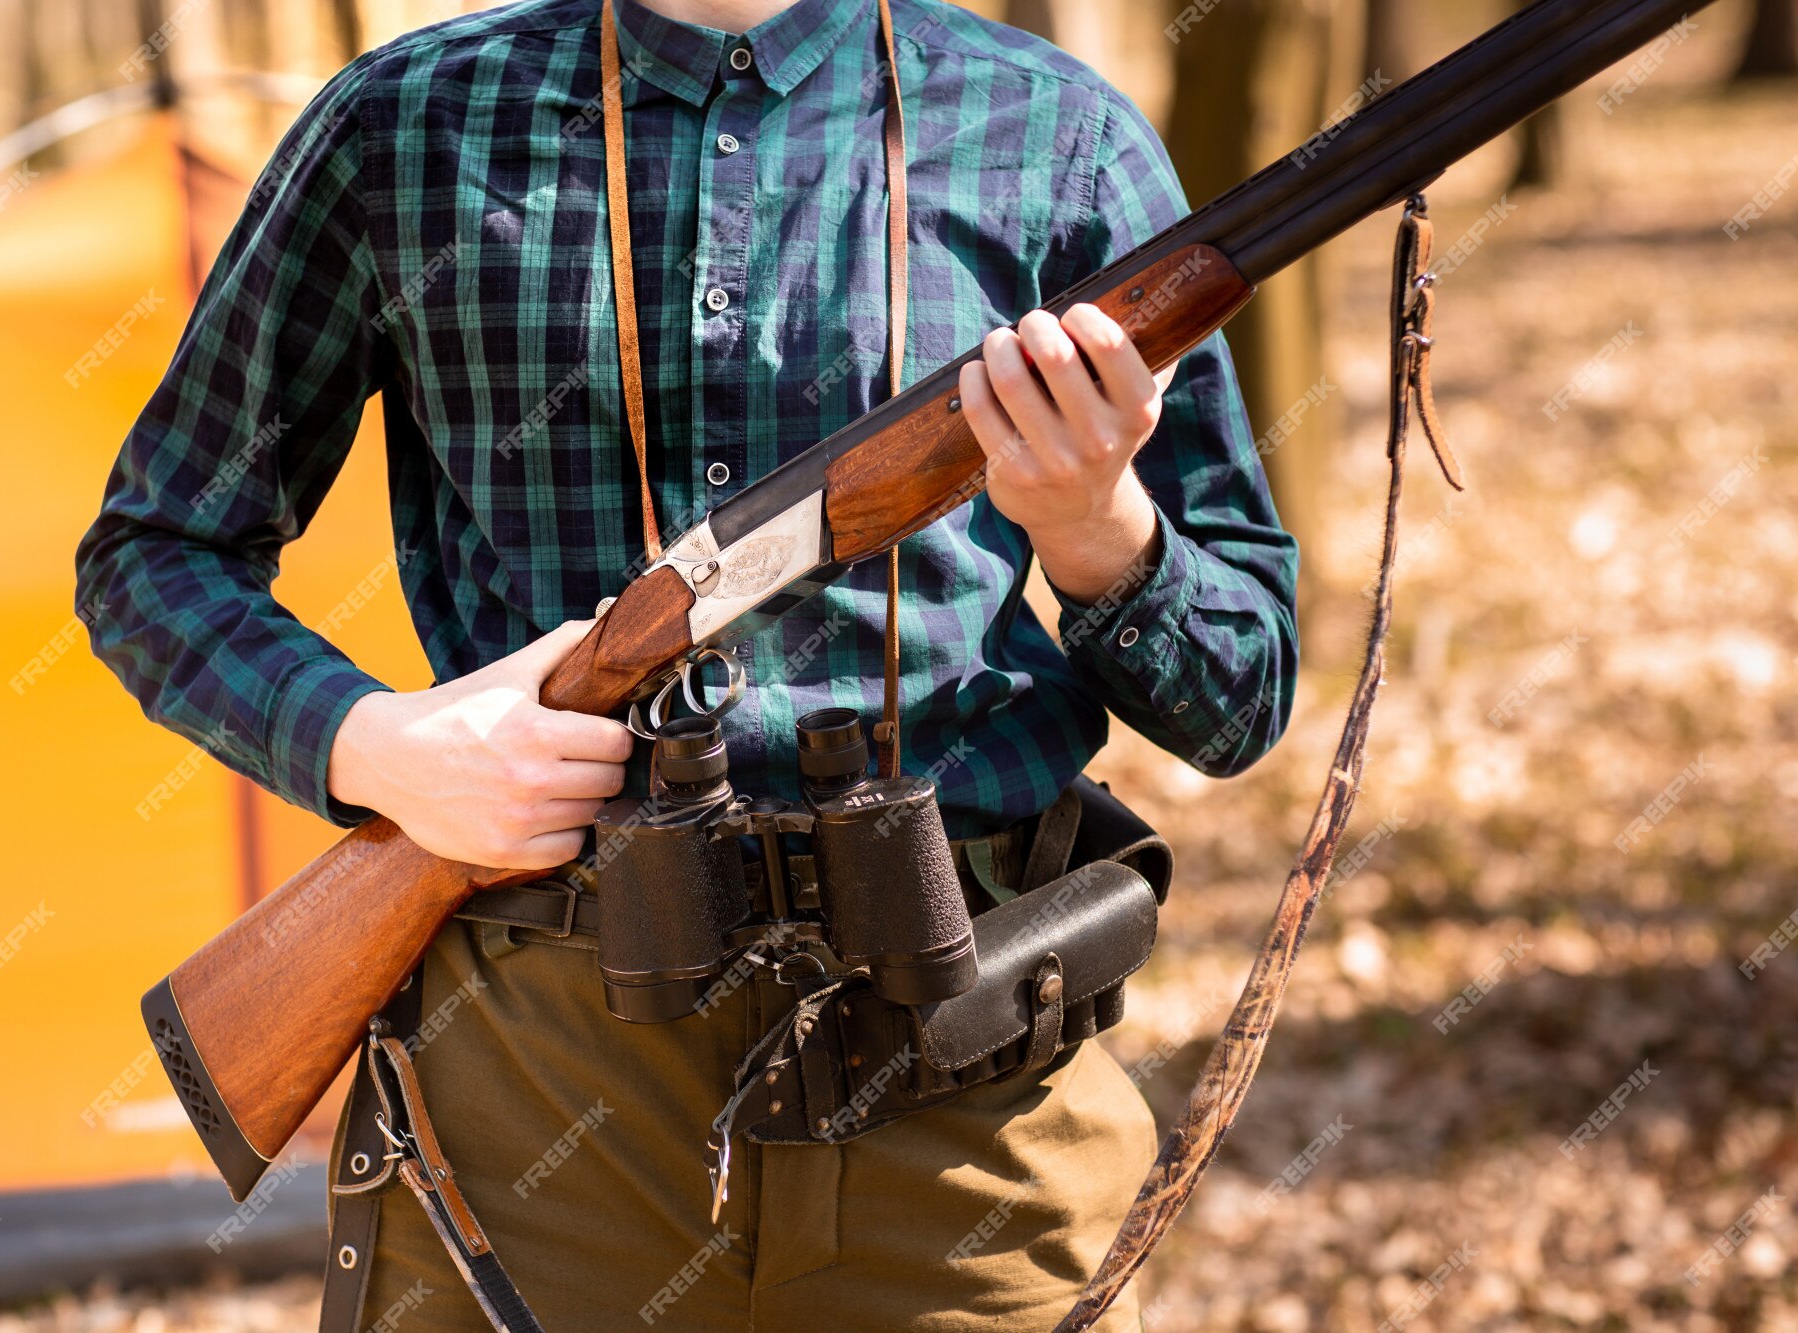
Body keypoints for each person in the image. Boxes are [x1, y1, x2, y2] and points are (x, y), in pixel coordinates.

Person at [76, 0, 1298, 1326]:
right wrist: (380, 747)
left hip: (967, 1085)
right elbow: (156, 550)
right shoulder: (401, 127)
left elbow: (1240, 697)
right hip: (536, 1112)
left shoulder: (1057, 135)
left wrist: (1094, 525)